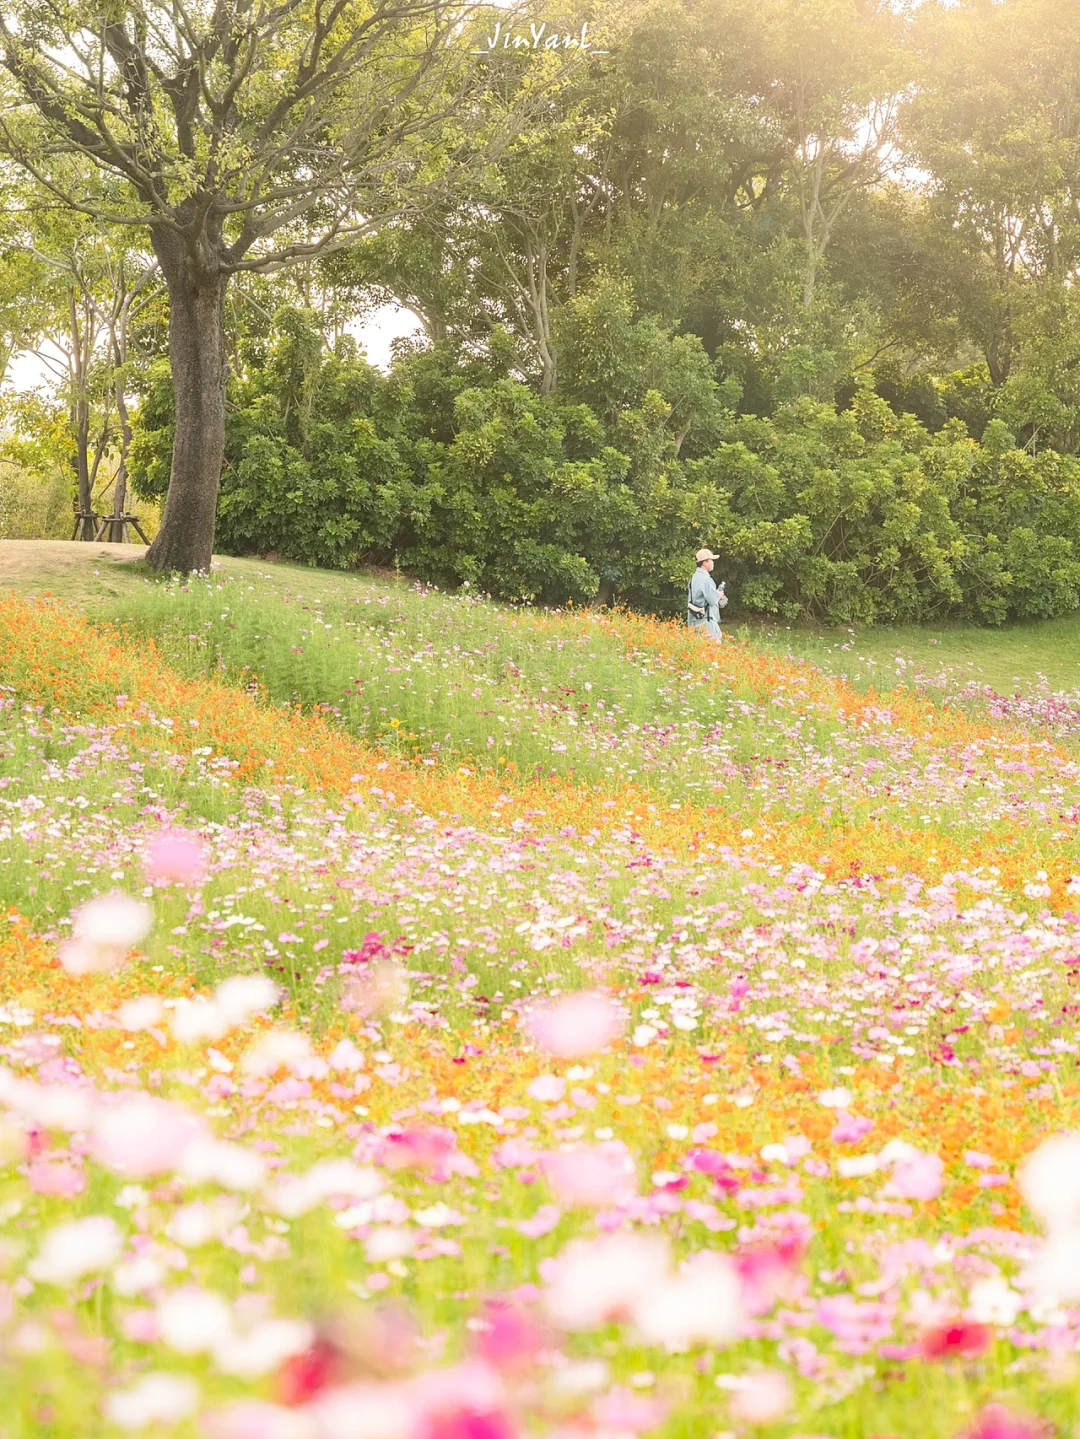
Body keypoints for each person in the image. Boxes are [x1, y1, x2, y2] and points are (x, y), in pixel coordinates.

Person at [686, 548, 727, 641]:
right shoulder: (706, 579)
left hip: (694, 620)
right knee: (713, 649)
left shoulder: (695, 577)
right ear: (705, 563)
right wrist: (719, 595)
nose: (713, 562)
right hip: (707, 621)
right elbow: (712, 600)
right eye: (711, 560)